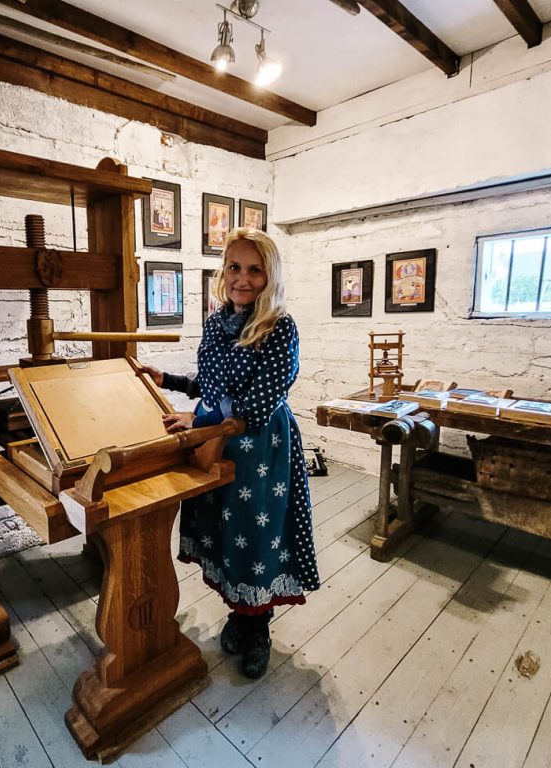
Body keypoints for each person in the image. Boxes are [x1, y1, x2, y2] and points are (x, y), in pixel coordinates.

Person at [142, 227, 319, 679]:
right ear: (224, 272)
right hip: (216, 443)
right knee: (225, 533)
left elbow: (257, 402)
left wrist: (200, 422)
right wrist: (171, 382)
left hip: (260, 448)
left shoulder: (280, 327)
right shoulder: (217, 322)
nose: (243, 278)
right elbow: (214, 387)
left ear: (270, 275)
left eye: (254, 269)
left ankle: (258, 628)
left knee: (255, 536)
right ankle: (240, 616)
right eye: (235, 267)